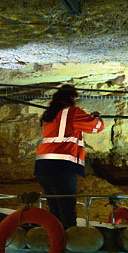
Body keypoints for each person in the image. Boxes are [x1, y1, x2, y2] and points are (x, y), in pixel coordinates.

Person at [35, 85, 104, 228]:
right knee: (67, 210)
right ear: (71, 98)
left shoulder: (50, 114)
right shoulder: (71, 112)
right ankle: (67, 244)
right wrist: (97, 117)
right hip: (61, 167)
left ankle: (54, 241)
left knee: (55, 209)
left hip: (42, 167)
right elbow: (96, 127)